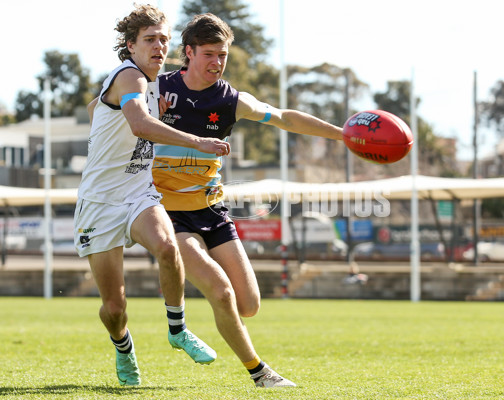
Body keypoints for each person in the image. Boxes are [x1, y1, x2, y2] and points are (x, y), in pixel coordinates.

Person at [153, 13, 343, 388]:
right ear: (187, 53)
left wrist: (344, 135)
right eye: (209, 53)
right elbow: (102, 110)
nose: (217, 62)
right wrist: (140, 113)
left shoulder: (229, 100)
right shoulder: (154, 88)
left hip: (211, 211)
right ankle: (260, 373)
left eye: (223, 55)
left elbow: (285, 117)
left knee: (249, 304)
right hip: (165, 211)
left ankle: (201, 299)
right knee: (221, 291)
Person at [75, 5, 230, 386]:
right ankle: (123, 346)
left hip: (139, 192)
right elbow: (139, 123)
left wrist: (131, 112)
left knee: (166, 247)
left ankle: (177, 330)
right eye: (149, 39)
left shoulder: (146, 83)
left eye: (163, 39)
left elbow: (97, 107)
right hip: (99, 202)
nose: (159, 46)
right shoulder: (130, 75)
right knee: (114, 308)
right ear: (130, 46)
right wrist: (196, 140)